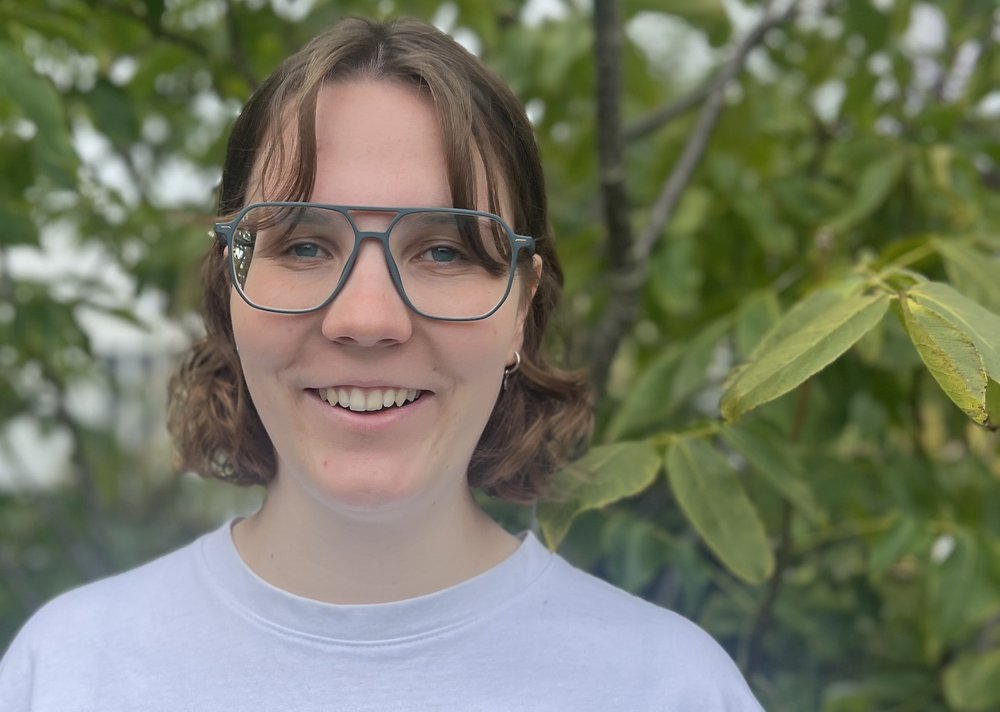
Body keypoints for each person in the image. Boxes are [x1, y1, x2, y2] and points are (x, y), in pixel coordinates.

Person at [0, 17, 763, 711]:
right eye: (304, 245)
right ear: (230, 287)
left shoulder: (671, 689)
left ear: (521, 308)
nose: (366, 320)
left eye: (444, 251)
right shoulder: (65, 672)